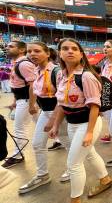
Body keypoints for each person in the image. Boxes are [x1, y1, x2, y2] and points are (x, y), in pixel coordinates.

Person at [48, 38, 112, 203]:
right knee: (89, 154)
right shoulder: (62, 75)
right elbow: (62, 104)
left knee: (73, 164)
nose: (70, 51)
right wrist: (55, 125)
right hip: (72, 123)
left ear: (81, 54)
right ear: (60, 54)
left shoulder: (87, 76)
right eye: (66, 48)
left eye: (74, 49)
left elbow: (94, 106)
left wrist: (89, 132)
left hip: (87, 122)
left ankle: (75, 200)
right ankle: (105, 179)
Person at [18, 42, 70, 194]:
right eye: (29, 51)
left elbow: (62, 99)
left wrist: (52, 121)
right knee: (37, 144)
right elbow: (33, 88)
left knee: (67, 142)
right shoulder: (35, 69)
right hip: (44, 111)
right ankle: (42, 175)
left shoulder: (57, 71)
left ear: (47, 53)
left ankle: (73, 169)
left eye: (37, 51)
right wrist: (32, 105)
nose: (32, 54)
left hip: (59, 113)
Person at [1, 41, 36, 168]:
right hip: (22, 100)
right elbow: (18, 85)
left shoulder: (24, 64)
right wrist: (15, 102)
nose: (7, 48)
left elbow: (33, 85)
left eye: (11, 46)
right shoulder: (16, 63)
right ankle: (60, 140)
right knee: (42, 125)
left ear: (21, 50)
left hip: (27, 100)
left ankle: (18, 155)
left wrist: (31, 104)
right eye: (7, 46)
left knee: (19, 128)